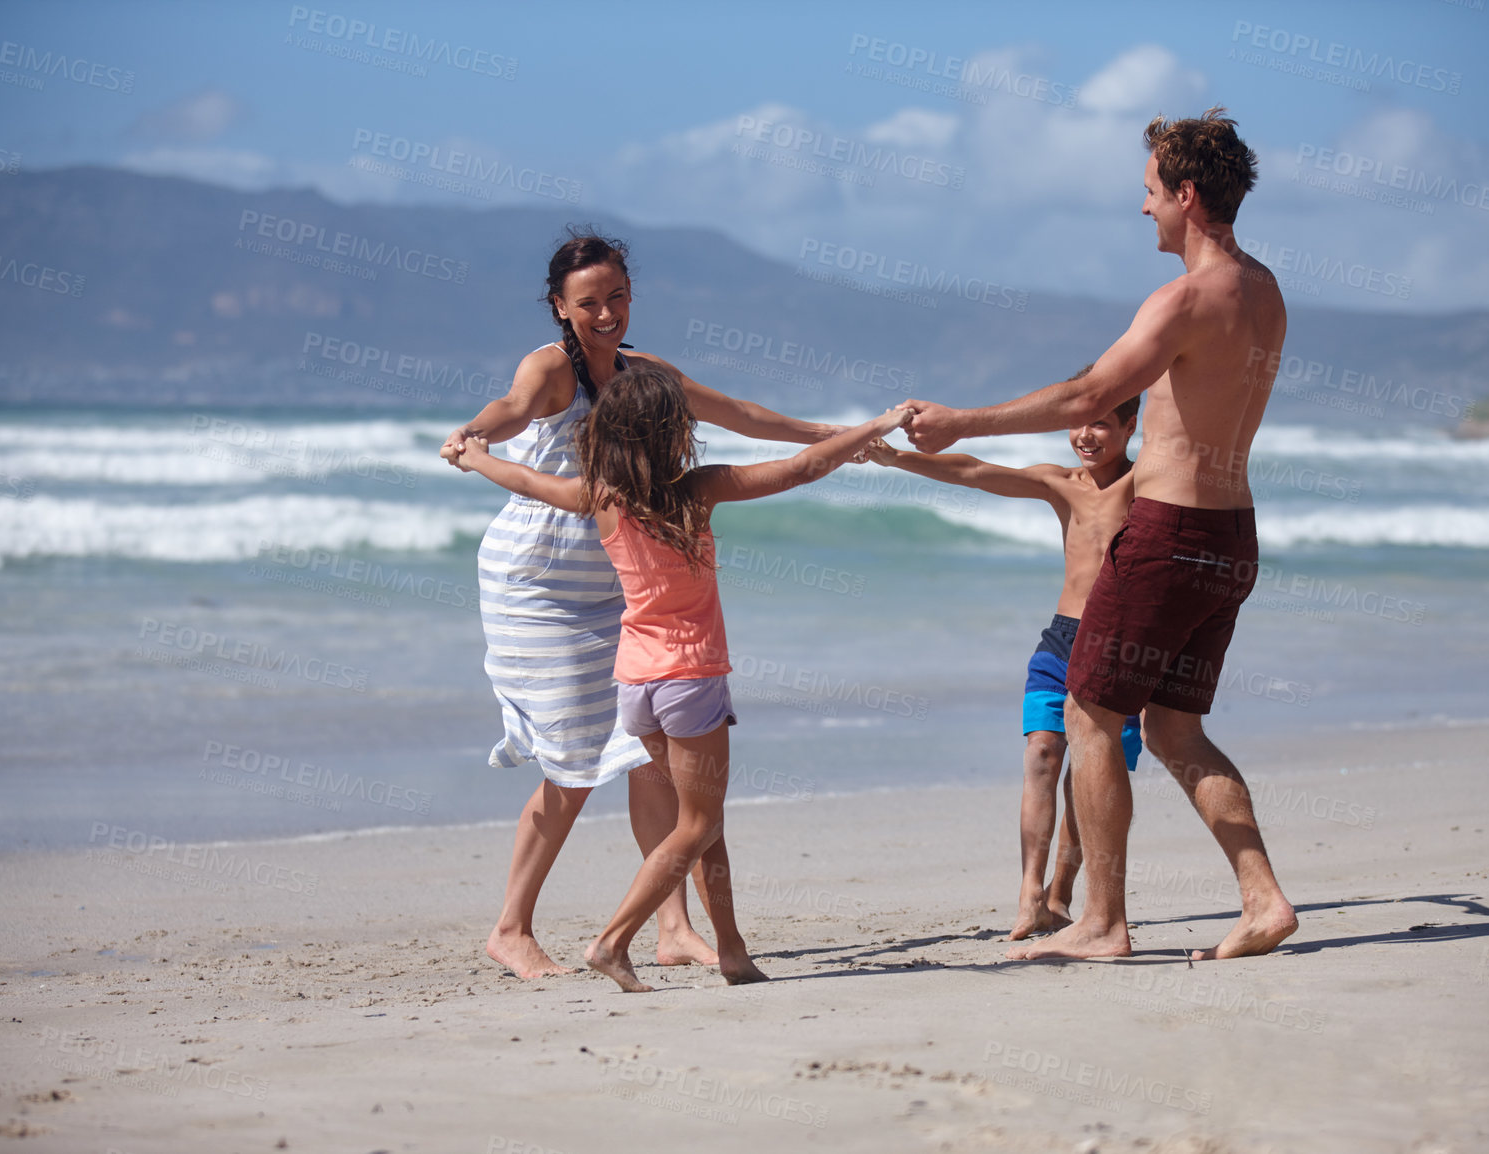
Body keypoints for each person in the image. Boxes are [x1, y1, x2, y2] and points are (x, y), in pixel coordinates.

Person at [901, 107, 1298, 962]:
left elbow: (1090, 398)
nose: (1143, 208)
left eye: (1151, 192)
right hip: (1233, 534)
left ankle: (1102, 923)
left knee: (1088, 709)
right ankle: (1262, 899)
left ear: (1187, 195)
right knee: (1175, 728)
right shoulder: (1266, 293)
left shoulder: (1186, 297)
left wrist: (962, 420)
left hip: (1169, 535)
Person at [439, 230, 839, 979]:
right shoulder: (551, 367)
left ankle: (674, 928)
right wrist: (472, 436)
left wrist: (836, 434)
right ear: (560, 306)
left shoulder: (646, 374)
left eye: (617, 296)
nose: (606, 313)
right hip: (537, 582)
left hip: (618, 584)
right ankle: (511, 927)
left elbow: (743, 416)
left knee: (648, 758)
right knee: (574, 761)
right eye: (588, 302)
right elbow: (512, 408)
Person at [457, 362, 914, 990]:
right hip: (691, 678)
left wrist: (475, 456)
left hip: (636, 684)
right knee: (696, 824)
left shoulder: (600, 495)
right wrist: (878, 424)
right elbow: (803, 468)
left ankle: (732, 950)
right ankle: (614, 941)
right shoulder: (696, 489)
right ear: (676, 432)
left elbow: (525, 479)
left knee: (705, 822)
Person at [865, 376, 1144, 941]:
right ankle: (1030, 896)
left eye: (1101, 424)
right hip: (1063, 638)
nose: (1085, 436)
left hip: (1121, 646)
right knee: (1043, 755)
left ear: (1130, 426)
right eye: (1078, 422)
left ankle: (1065, 889)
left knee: (1089, 776)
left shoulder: (1150, 485)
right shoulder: (1061, 483)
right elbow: (974, 472)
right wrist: (896, 460)